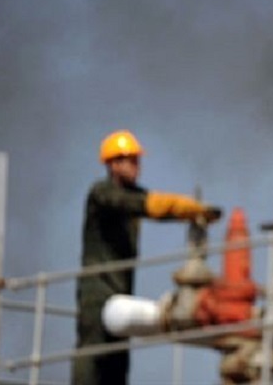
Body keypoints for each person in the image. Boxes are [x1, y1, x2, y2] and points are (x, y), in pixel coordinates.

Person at [72, 130, 221, 385]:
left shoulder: (135, 195)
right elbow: (149, 205)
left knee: (117, 360)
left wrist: (190, 213)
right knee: (93, 354)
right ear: (112, 164)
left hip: (120, 289)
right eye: (129, 160)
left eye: (137, 160)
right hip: (97, 289)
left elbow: (153, 206)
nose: (136, 166)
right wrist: (190, 208)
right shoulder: (102, 193)